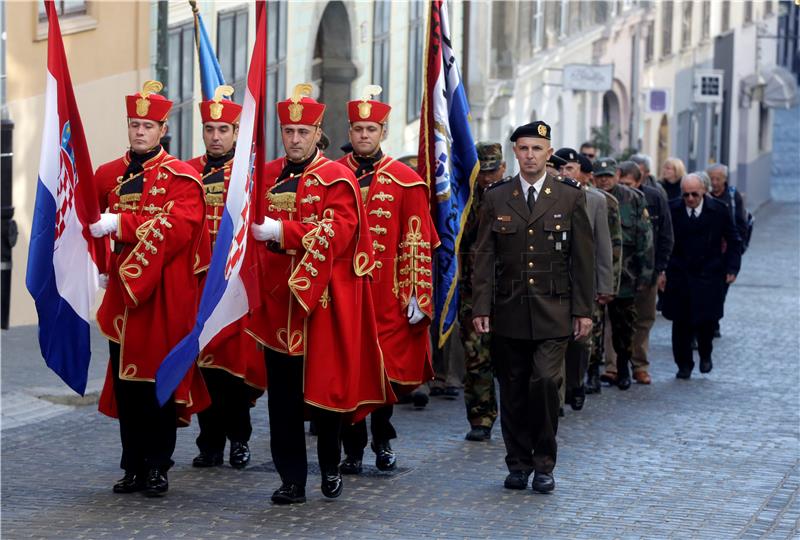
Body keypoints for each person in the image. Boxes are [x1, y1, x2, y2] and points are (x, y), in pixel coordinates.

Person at [247, 84, 394, 504]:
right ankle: (291, 478)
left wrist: (284, 232)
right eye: (288, 131)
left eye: (302, 132)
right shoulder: (268, 173)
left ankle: (330, 464)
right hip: (278, 306)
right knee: (283, 402)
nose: (294, 139)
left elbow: (339, 232)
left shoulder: (337, 177)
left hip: (321, 307)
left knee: (324, 396)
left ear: (317, 134)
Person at [89, 81, 211, 497]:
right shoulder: (107, 174)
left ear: (163, 129)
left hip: (163, 295)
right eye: (134, 124)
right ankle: (133, 465)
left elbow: (178, 227)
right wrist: (98, 265)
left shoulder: (183, 178)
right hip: (122, 297)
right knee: (127, 385)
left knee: (156, 382)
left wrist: (121, 224)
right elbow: (86, 226)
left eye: (147, 125)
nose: (139, 132)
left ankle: (158, 465)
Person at [472, 121, 594, 494]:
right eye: (523, 149)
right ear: (515, 153)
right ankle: (518, 464)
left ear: (548, 152)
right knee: (512, 390)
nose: (530, 156)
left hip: (553, 310)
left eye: (537, 149)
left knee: (543, 383)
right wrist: (481, 307)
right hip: (508, 310)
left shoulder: (569, 196)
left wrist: (583, 310)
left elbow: (583, 259)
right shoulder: (496, 197)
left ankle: (544, 463)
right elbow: (483, 257)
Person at [336, 86, 438, 472]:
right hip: (343, 292)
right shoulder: (332, 174)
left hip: (388, 295)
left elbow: (417, 242)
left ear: (383, 131)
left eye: (372, 129)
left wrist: (418, 296)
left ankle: (382, 439)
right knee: (348, 371)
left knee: (386, 374)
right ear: (349, 130)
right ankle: (352, 448)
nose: (364, 135)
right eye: (358, 128)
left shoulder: (405, 179)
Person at [185, 86, 265, 470]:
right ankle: (209, 443)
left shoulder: (249, 174)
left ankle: (239, 440)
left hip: (236, 286)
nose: (215, 136)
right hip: (199, 285)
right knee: (204, 368)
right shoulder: (188, 173)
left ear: (236, 132)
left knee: (234, 369)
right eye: (209, 129)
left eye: (223, 130)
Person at [660, 174, 741, 378]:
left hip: (709, 274)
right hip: (680, 273)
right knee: (681, 323)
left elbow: (733, 240)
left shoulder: (719, 210)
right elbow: (662, 240)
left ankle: (706, 354)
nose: (689, 199)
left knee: (706, 321)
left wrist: (732, 268)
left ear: (704, 191)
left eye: (694, 194)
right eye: (685, 194)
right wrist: (661, 270)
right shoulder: (672, 209)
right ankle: (683, 364)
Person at [555, 148, 615, 410]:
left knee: (580, 340)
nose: (564, 173)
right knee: (555, 339)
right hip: (554, 281)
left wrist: (605, 285)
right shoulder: (551, 197)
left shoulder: (596, 201)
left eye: (569, 168)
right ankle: (556, 394)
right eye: (561, 168)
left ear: (581, 172)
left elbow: (603, 246)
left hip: (584, 281)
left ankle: (576, 382)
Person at [593, 158, 653, 390]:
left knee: (623, 327)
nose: (605, 180)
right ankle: (595, 373)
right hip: (596, 274)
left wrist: (645, 275)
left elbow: (645, 239)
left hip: (626, 276)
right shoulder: (589, 198)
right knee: (595, 327)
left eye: (608, 175)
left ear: (617, 175)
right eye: (600, 176)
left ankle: (624, 368)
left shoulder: (633, 199)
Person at [460, 142, 505, 441]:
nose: (487, 178)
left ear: (502, 168)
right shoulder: (465, 201)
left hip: (509, 291)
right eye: (482, 172)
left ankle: (517, 417)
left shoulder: (514, 196)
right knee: (476, 356)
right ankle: (481, 416)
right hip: (473, 291)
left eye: (492, 171)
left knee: (510, 359)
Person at [617, 160, 673, 385]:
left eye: (629, 184)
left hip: (646, 270)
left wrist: (660, 269)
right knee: (615, 321)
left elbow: (666, 235)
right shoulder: (612, 199)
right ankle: (613, 367)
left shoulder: (654, 198)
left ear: (639, 181)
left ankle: (639, 364)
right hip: (618, 273)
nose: (625, 188)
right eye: (622, 183)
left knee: (643, 319)